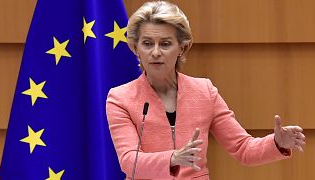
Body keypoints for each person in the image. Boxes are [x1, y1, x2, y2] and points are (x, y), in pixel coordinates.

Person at [106, 1, 306, 179]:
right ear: (135, 48)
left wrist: (277, 142)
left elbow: (243, 149)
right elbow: (129, 161)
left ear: (182, 48)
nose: (156, 52)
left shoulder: (204, 91)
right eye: (147, 44)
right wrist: (174, 158)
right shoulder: (120, 98)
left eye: (165, 44)